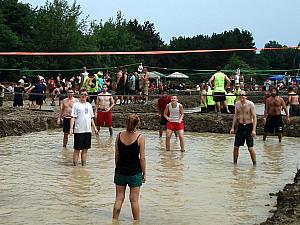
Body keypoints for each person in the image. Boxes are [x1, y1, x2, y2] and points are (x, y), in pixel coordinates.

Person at [113, 114, 146, 222]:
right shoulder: (140, 137)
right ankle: (136, 221)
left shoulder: (119, 135)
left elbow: (116, 155)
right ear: (137, 124)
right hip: (135, 172)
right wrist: (144, 173)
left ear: (126, 123)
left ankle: (114, 220)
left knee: (119, 198)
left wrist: (117, 168)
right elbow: (142, 158)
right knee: (134, 200)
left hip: (120, 171)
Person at [69, 89, 98, 166]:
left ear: (87, 96)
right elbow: (73, 117)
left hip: (88, 130)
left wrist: (94, 128)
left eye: (85, 94)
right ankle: (74, 166)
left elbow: (91, 118)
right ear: (79, 95)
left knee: (85, 149)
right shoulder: (76, 105)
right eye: (82, 94)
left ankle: (83, 166)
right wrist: (71, 128)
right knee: (77, 149)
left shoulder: (89, 105)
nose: (83, 96)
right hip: (79, 130)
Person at [230, 91, 257, 166]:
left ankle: (254, 164)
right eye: (240, 95)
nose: (241, 96)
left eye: (243, 95)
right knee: (236, 147)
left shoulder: (250, 104)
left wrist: (254, 130)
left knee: (250, 148)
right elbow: (235, 116)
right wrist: (232, 127)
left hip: (249, 126)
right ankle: (235, 164)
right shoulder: (237, 104)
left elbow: (254, 117)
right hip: (240, 126)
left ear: (246, 96)